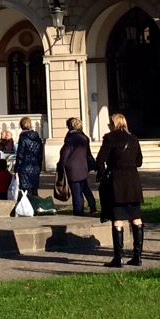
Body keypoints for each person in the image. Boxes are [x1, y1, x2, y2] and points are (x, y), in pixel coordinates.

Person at [95, 112, 145, 267]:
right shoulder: (134, 138)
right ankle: (137, 256)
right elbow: (139, 161)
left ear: (113, 124)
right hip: (133, 183)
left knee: (118, 219)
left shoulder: (109, 138)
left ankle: (118, 258)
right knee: (136, 219)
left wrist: (104, 174)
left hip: (117, 182)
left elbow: (100, 160)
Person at [56, 116, 97, 216]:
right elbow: (88, 153)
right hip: (83, 167)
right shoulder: (84, 138)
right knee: (85, 187)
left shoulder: (70, 139)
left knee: (77, 192)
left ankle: (79, 213)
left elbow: (65, 154)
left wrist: (61, 165)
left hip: (72, 169)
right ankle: (92, 205)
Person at [13, 116, 44, 205]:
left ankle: (26, 208)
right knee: (34, 189)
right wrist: (39, 166)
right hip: (35, 166)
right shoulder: (37, 138)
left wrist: (16, 169)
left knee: (25, 190)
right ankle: (36, 206)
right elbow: (40, 155)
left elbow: (20, 155)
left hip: (25, 166)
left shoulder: (23, 138)